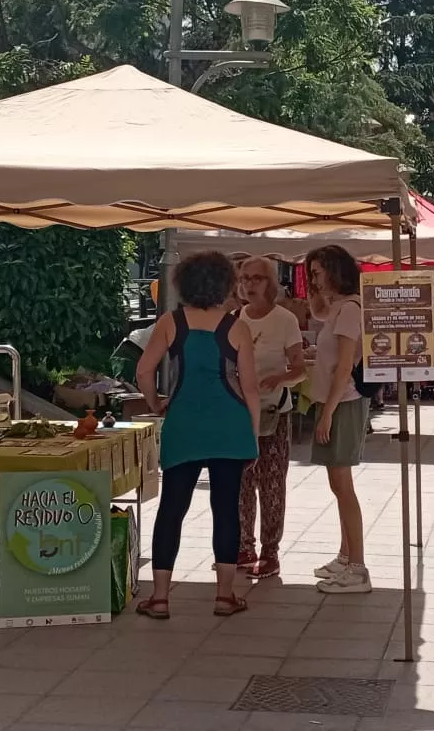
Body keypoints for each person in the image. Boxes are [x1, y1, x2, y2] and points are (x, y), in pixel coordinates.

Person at [133, 251, 261, 618]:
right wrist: (251, 434)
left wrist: (156, 403)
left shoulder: (171, 323)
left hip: (184, 423)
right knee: (226, 511)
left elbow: (144, 371)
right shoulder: (237, 327)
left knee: (171, 509)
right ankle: (224, 596)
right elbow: (250, 388)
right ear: (224, 284)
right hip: (230, 425)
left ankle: (159, 597)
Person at [304, 244, 373, 593]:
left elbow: (345, 366)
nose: (313, 279)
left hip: (343, 401)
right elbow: (315, 311)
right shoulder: (338, 309)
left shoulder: (349, 310)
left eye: (317, 272)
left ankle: (357, 566)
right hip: (335, 400)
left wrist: (327, 413)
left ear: (334, 271)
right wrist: (315, 289)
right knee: (338, 485)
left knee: (343, 487)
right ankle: (346, 556)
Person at [235, 257, 307, 579]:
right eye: (245, 278)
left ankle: (270, 551)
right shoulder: (237, 319)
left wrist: (280, 379)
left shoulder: (285, 319)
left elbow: (300, 369)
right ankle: (243, 545)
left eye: (256, 279)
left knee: (272, 483)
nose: (249, 284)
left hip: (274, 412)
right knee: (242, 482)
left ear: (270, 283)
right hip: (240, 412)